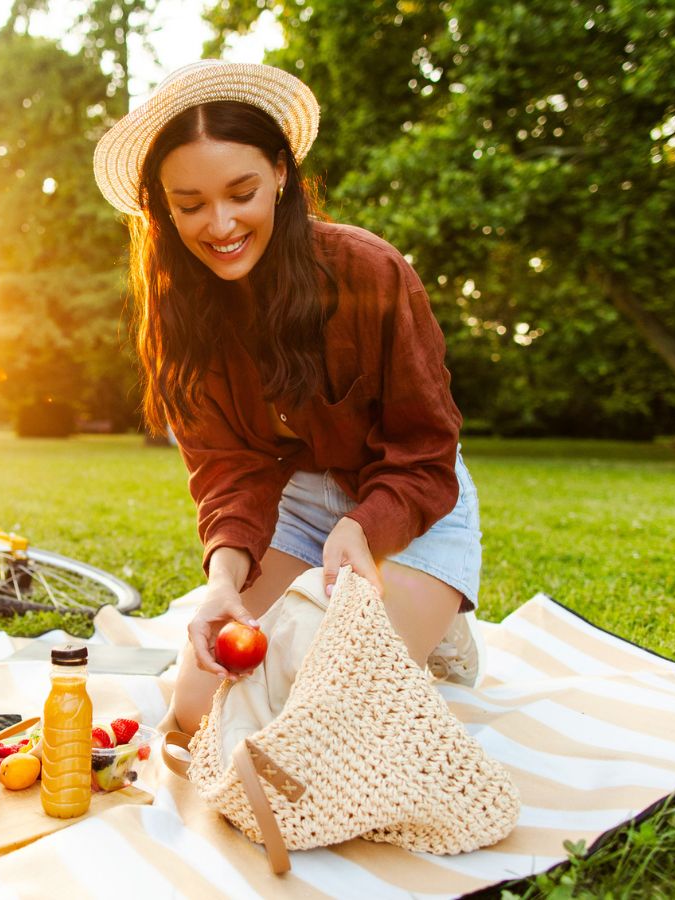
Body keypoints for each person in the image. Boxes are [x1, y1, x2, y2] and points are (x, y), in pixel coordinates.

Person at [93, 61, 484, 733]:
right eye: (189, 205)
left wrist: (365, 528)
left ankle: (432, 616)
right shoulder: (180, 314)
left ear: (280, 173)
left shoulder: (369, 270)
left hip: (408, 502)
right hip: (295, 511)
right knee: (198, 710)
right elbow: (228, 473)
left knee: (328, 718)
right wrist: (223, 579)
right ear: (164, 208)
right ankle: (397, 621)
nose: (219, 225)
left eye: (240, 191)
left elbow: (425, 450)